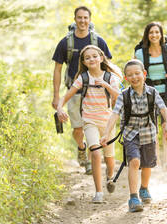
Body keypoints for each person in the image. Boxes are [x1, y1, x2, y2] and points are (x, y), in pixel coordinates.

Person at [100, 59, 167, 212]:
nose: (134, 77)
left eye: (137, 73)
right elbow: (114, 115)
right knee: (134, 161)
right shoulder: (123, 96)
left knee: (147, 165)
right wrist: (106, 134)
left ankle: (144, 188)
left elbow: (164, 109)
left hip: (149, 133)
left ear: (144, 74)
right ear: (126, 78)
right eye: (130, 75)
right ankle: (133, 198)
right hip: (130, 134)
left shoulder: (153, 93)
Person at [52, 6, 112, 174]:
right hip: (75, 90)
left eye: (86, 18)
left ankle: (98, 159)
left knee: (99, 125)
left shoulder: (98, 41)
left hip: (97, 92)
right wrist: (57, 96)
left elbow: (108, 66)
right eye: (79, 18)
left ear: (90, 20)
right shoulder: (65, 42)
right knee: (78, 128)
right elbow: (57, 69)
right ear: (75, 19)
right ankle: (81, 149)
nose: (83, 21)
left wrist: (113, 89)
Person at [57, 45, 121, 203]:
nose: (91, 59)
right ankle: (98, 192)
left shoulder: (110, 77)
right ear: (84, 62)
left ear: (101, 58)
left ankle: (110, 176)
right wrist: (59, 108)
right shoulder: (83, 78)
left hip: (107, 121)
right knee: (96, 153)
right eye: (87, 58)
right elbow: (67, 96)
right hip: (89, 119)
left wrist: (106, 86)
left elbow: (120, 97)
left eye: (94, 56)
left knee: (109, 157)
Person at [134, 22, 167, 166]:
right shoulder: (140, 54)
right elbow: (135, 71)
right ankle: (157, 160)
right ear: (147, 35)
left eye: (157, 32)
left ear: (161, 34)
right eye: (151, 32)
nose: (154, 35)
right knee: (153, 127)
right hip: (148, 92)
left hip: (166, 91)